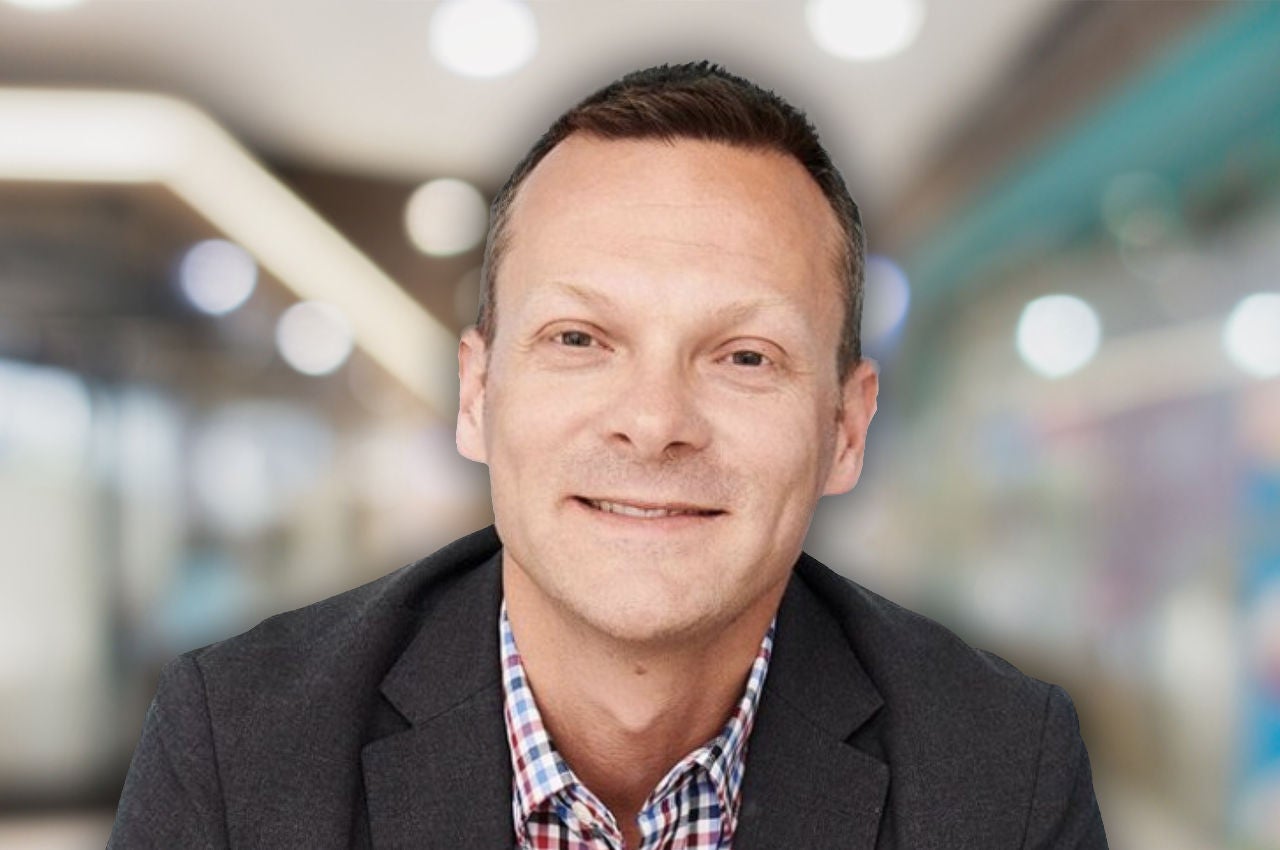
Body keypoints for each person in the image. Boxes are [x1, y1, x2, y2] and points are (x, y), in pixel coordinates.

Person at [109, 62, 1108, 849]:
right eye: (580, 339)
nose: (653, 421)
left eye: (744, 356)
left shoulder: (1000, 773)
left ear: (844, 430)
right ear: (477, 395)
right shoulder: (240, 747)